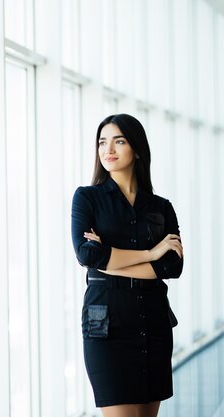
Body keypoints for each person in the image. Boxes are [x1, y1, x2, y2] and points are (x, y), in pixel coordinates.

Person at [71, 114, 184, 417]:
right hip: (107, 327)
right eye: (102, 142)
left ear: (137, 149)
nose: (108, 149)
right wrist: (151, 253)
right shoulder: (87, 199)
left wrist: (110, 256)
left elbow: (172, 266)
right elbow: (87, 255)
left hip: (153, 323)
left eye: (118, 141)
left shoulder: (161, 207)